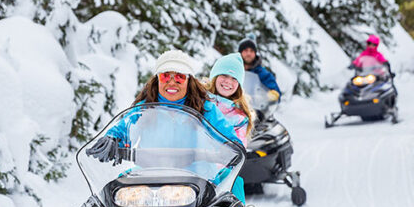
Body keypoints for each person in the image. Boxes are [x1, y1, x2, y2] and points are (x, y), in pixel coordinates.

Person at [87, 49, 243, 163]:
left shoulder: (204, 109)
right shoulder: (144, 108)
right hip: (148, 177)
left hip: (196, 181)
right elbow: (126, 125)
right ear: (157, 79)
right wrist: (113, 139)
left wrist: (232, 146)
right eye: (165, 76)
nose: (172, 82)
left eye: (180, 77)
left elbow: (223, 132)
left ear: (189, 81)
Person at [202, 52, 254, 146]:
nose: (228, 82)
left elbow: (237, 150)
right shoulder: (198, 98)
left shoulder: (239, 118)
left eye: (234, 78)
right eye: (224, 75)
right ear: (215, 77)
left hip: (216, 159)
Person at [238, 37, 281, 102]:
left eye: (251, 51)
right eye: (246, 50)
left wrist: (273, 95)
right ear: (240, 53)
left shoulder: (262, 73)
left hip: (254, 108)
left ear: (255, 53)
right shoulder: (234, 69)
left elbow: (274, 89)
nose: (248, 53)